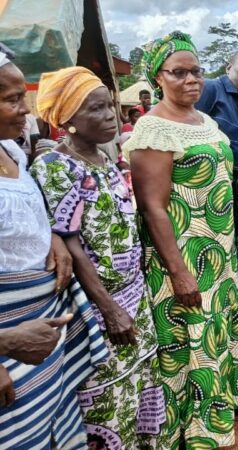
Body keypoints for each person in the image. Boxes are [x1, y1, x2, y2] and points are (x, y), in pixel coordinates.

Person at [122, 31, 238, 448]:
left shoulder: (205, 121)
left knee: (217, 331)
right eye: (178, 72)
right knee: (190, 339)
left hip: (218, 252)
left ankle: (221, 404)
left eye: (196, 71)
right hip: (183, 257)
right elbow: (153, 208)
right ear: (158, 77)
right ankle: (192, 429)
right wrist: (179, 272)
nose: (191, 80)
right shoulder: (153, 129)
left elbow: (220, 170)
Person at [31, 66, 166, 448]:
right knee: (109, 399)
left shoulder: (105, 161)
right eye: (96, 109)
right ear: (66, 119)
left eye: (109, 105)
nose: (110, 115)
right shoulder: (55, 167)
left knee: (142, 386)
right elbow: (70, 244)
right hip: (99, 308)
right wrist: (109, 309)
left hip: (134, 297)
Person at [0, 43, 109, 449]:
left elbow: (26, 217)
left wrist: (53, 237)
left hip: (42, 327)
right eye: (13, 100)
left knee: (54, 429)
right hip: (11, 339)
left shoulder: (11, 150)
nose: (26, 110)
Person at [195, 48, 238, 331]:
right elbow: (183, 130)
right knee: (209, 288)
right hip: (206, 213)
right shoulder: (211, 90)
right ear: (228, 67)